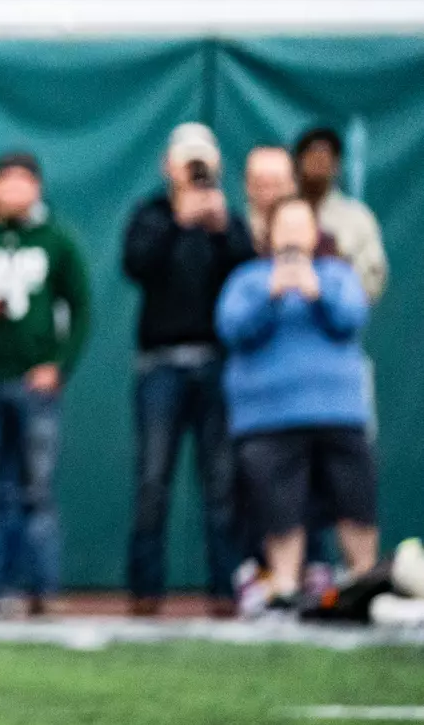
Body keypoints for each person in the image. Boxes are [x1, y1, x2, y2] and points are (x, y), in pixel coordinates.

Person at [0, 152, 90, 616]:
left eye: (24, 181)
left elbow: (81, 307)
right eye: (5, 181)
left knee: (37, 490)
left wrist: (58, 365)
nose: (14, 190)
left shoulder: (57, 241)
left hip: (34, 383)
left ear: (37, 189)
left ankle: (42, 590)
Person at [217, 197, 377, 611]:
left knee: (354, 504)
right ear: (269, 234)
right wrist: (270, 295)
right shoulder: (249, 280)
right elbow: (231, 328)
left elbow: (352, 318)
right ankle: (285, 588)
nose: (291, 234)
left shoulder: (337, 276)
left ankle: (365, 585)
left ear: (315, 233)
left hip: (339, 416)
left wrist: (316, 291)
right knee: (281, 511)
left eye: (300, 225)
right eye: (283, 225)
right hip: (269, 420)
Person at [121, 124, 254, 616]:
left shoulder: (226, 219)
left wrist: (221, 230)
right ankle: (145, 593)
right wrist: (179, 220)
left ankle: (225, 593)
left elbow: (248, 269)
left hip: (216, 364)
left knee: (221, 485)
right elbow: (137, 264)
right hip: (161, 365)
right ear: (168, 167)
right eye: (186, 160)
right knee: (153, 481)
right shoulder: (152, 214)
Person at [292, 127, 387, 306]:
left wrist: (337, 284)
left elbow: (374, 276)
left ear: (337, 165)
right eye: (312, 154)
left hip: (338, 320)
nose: (319, 161)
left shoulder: (357, 217)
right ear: (298, 162)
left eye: (326, 155)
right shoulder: (283, 213)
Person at [244, 146, 297, 253]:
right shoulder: (235, 239)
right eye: (260, 185)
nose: (268, 195)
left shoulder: (318, 242)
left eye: (276, 185)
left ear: (292, 186)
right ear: (247, 186)